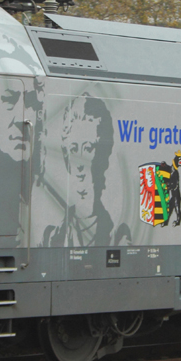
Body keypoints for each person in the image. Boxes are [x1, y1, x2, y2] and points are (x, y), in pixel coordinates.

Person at [43, 93, 131, 247]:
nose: (79, 163)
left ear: (103, 156)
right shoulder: (52, 237)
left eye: (88, 148)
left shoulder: (118, 236)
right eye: (73, 149)